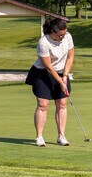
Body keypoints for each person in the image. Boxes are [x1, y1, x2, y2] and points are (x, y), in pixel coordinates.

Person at [25, 17, 74, 147]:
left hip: (61, 71)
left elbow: (70, 57)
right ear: (53, 31)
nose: (63, 36)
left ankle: (61, 136)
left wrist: (65, 76)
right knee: (43, 104)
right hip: (42, 73)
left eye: (65, 33)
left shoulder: (67, 36)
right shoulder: (43, 42)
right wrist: (60, 82)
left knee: (62, 103)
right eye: (60, 34)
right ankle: (39, 137)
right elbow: (48, 67)